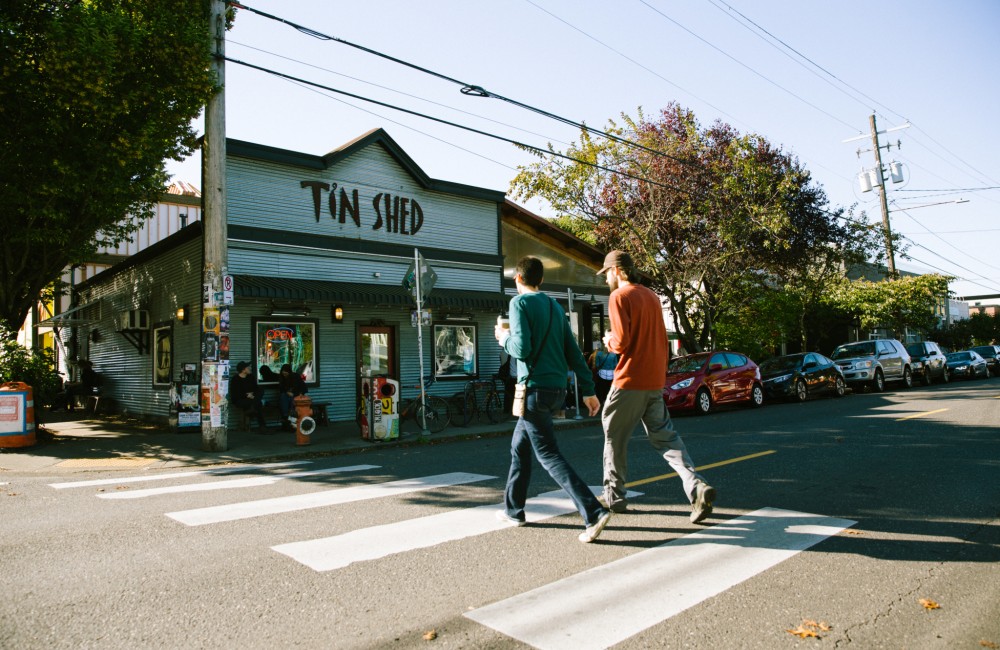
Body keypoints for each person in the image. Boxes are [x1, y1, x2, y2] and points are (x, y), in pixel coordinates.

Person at [494, 255, 612, 543]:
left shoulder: (518, 303)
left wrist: (502, 338)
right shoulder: (554, 306)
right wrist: (587, 389)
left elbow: (521, 348)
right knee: (519, 447)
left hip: (533, 389)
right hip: (556, 389)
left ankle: (593, 511)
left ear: (518, 279)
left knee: (547, 454)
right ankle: (514, 509)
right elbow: (573, 351)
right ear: (542, 280)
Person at [597, 250, 716, 524]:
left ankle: (614, 497)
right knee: (666, 439)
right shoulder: (650, 295)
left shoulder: (619, 297)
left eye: (606, 275)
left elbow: (622, 341)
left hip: (629, 380)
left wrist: (608, 341)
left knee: (614, 437)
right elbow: (660, 338)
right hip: (654, 380)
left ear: (616, 271)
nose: (606, 281)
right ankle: (696, 486)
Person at [230, 361, 268, 432]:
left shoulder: (250, 377)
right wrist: (247, 395)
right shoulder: (235, 379)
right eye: (248, 368)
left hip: (252, 398)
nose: (250, 368)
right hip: (240, 400)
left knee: (261, 390)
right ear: (243, 370)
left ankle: (252, 410)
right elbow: (235, 394)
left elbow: (256, 389)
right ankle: (262, 426)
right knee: (258, 404)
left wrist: (252, 395)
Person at [278, 363, 306, 431]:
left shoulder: (295, 376)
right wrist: (287, 392)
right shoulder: (282, 378)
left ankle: (291, 422)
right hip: (287, 396)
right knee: (283, 397)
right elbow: (281, 389)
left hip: (297, 395)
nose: (284, 373)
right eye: (283, 372)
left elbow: (303, 387)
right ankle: (286, 418)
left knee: (292, 402)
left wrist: (294, 394)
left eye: (286, 372)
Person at [589, 340, 619, 404]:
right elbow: (615, 365)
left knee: (601, 388)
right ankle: (610, 400)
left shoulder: (599, 354)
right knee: (610, 388)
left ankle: (602, 400)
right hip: (611, 374)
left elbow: (597, 365)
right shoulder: (613, 354)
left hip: (602, 373)